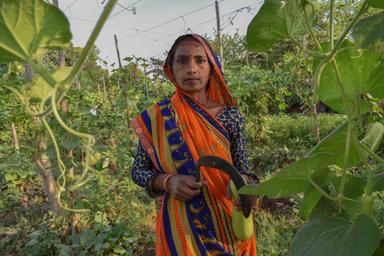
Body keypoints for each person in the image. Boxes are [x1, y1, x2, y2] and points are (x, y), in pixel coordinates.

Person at [131, 34, 257, 255]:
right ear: (171, 68)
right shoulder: (156, 118)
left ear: (212, 67)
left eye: (200, 60)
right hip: (181, 229)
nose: (191, 68)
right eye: (182, 60)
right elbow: (138, 171)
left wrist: (246, 186)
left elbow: (243, 168)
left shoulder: (230, 116)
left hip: (228, 225)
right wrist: (168, 182)